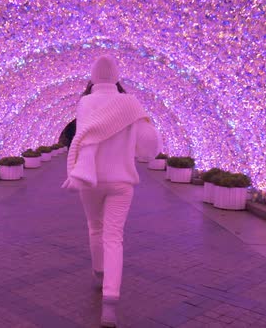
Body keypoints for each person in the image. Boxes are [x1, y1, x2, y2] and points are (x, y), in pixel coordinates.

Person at [62, 55, 160, 327]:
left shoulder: (85, 103)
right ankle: (110, 304)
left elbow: (83, 137)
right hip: (122, 182)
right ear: (117, 78)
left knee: (95, 227)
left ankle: (98, 272)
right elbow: (149, 148)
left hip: (90, 178)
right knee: (114, 237)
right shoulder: (131, 105)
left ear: (93, 78)